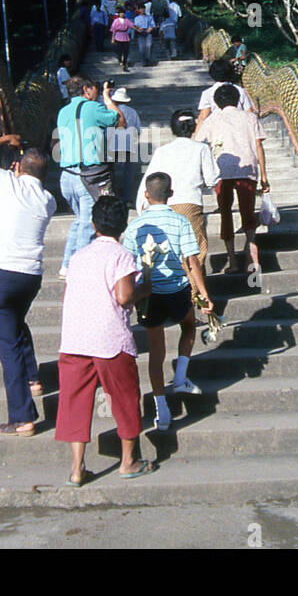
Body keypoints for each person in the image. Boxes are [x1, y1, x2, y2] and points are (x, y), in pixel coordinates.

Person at [55, 196, 155, 483]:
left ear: (93, 224)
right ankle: (128, 461)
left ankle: (76, 468)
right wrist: (144, 290)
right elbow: (124, 295)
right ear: (123, 226)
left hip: (75, 338)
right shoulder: (121, 255)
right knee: (124, 398)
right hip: (109, 338)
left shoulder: (78, 257)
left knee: (75, 402)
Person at [0, 134, 58, 436]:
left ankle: (22, 416)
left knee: (8, 347)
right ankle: (34, 378)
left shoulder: (6, 182)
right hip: (30, 277)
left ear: (17, 167)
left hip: (1, 275)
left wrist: (4, 138)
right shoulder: (48, 200)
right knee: (16, 324)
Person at [124, 173, 215, 432]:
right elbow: (192, 261)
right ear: (171, 194)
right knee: (188, 325)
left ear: (146, 195)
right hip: (177, 289)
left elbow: (129, 263)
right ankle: (181, 375)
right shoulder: (181, 221)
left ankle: (161, 408)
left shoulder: (136, 226)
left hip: (150, 292)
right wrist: (204, 293)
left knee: (156, 351)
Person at [195, 84, 269, 274]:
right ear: (238, 99)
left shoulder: (211, 120)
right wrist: (264, 175)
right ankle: (252, 256)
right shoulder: (250, 117)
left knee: (226, 214)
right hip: (248, 170)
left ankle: (233, 261)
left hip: (222, 172)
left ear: (217, 102)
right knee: (248, 213)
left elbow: (199, 142)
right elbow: (259, 146)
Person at [57, 76, 125, 276]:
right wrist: (108, 98)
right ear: (86, 89)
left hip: (67, 175)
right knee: (88, 225)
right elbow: (120, 120)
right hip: (88, 175)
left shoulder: (63, 111)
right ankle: (79, 271)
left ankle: (67, 264)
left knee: (79, 220)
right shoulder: (92, 108)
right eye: (95, 89)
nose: (96, 93)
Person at [138, 109, 218, 270]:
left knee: (170, 249)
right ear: (193, 127)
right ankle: (195, 291)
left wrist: (142, 205)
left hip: (166, 205)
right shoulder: (201, 149)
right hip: (190, 204)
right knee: (194, 250)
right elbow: (212, 179)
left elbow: (148, 179)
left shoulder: (162, 151)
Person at [196, 58, 255, 125]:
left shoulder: (207, 93)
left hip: (218, 129)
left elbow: (202, 117)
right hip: (239, 127)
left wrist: (196, 135)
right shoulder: (240, 91)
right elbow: (249, 113)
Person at [109, 5, 135, 71]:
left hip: (125, 35)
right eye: (121, 13)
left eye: (123, 13)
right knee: (119, 50)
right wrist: (112, 38)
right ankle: (120, 59)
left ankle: (124, 61)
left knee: (126, 50)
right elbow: (113, 30)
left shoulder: (126, 20)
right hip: (118, 36)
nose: (122, 14)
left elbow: (132, 25)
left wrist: (138, 28)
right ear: (119, 14)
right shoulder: (116, 21)